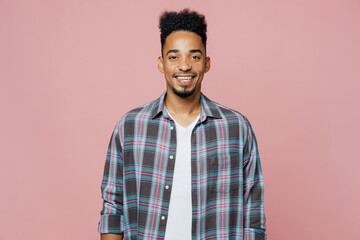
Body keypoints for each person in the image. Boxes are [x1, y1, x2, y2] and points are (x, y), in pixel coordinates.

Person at [98, 9, 266, 240]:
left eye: (194, 56)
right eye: (174, 57)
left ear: (206, 63)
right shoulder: (130, 128)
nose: (184, 66)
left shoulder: (236, 129)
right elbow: (113, 209)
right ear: (161, 63)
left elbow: (253, 213)